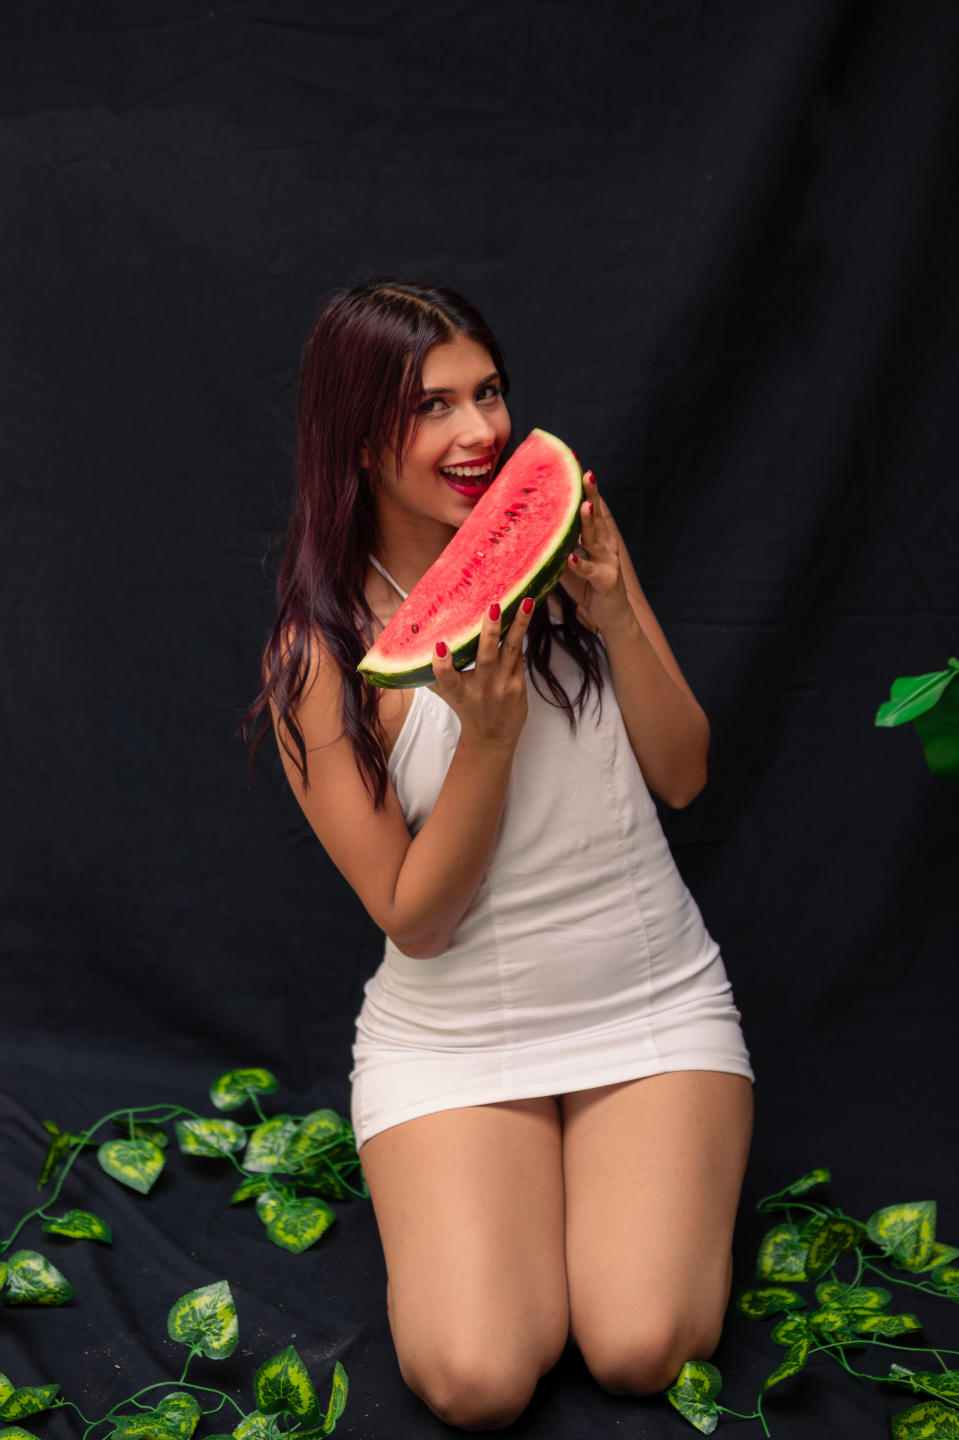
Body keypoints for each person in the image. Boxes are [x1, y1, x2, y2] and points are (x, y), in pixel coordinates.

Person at [248, 280, 754, 1431]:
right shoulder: (317, 658)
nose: (478, 430)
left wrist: (613, 611)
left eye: (487, 393)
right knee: (476, 1380)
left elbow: (684, 773)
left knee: (639, 1346)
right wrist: (485, 739)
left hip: (648, 1004)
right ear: (356, 439)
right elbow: (414, 919)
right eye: (431, 407)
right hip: (453, 1037)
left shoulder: (569, 546)